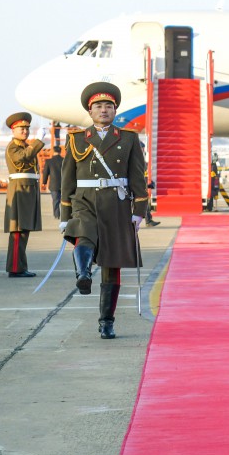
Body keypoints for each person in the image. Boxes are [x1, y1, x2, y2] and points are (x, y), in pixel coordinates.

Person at [60, 83, 149, 338]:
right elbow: (67, 180)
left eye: (108, 106)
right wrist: (65, 217)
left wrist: (139, 211)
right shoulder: (76, 139)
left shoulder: (129, 138)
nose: (103, 110)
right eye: (98, 106)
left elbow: (137, 178)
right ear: (90, 111)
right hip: (84, 200)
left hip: (116, 204)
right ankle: (84, 274)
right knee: (83, 233)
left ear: (115, 110)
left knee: (112, 265)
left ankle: (106, 321)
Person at [4, 112, 44, 278]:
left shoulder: (23, 146)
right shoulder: (13, 147)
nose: (25, 131)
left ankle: (20, 266)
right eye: (21, 128)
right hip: (20, 190)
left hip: (28, 189)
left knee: (24, 230)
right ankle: (15, 268)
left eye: (27, 128)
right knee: (18, 231)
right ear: (13, 130)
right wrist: (38, 142)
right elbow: (22, 159)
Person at [42, 145, 64, 219]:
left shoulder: (49, 161)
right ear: (60, 151)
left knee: (55, 200)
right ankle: (64, 215)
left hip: (53, 184)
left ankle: (56, 215)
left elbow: (45, 172)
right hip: (64, 184)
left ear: (53, 151)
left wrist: (44, 182)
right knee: (64, 200)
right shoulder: (64, 160)